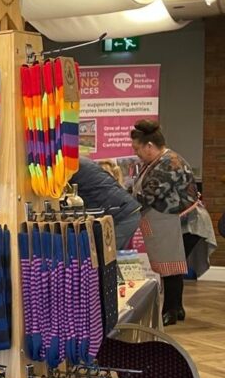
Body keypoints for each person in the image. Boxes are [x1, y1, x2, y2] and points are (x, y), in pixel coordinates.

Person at [129, 119, 198, 326]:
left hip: (184, 222)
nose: (136, 153)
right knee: (172, 268)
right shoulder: (155, 162)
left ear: (149, 146)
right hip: (171, 221)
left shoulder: (167, 164)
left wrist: (119, 203)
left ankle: (171, 310)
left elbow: (147, 197)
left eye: (137, 149)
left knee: (172, 267)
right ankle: (176, 308)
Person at [69, 155, 141, 251]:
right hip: (122, 210)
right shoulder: (75, 161)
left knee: (107, 255)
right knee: (108, 254)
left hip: (121, 214)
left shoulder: (69, 166)